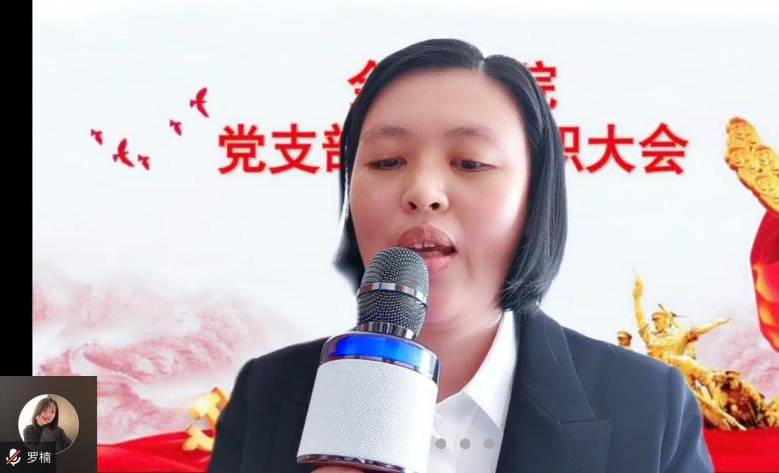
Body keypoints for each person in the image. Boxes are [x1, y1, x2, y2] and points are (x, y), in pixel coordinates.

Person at [208, 38, 713, 473]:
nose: (423, 193)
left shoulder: (646, 405)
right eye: (386, 161)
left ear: (534, 200)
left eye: (470, 163)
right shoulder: (267, 395)